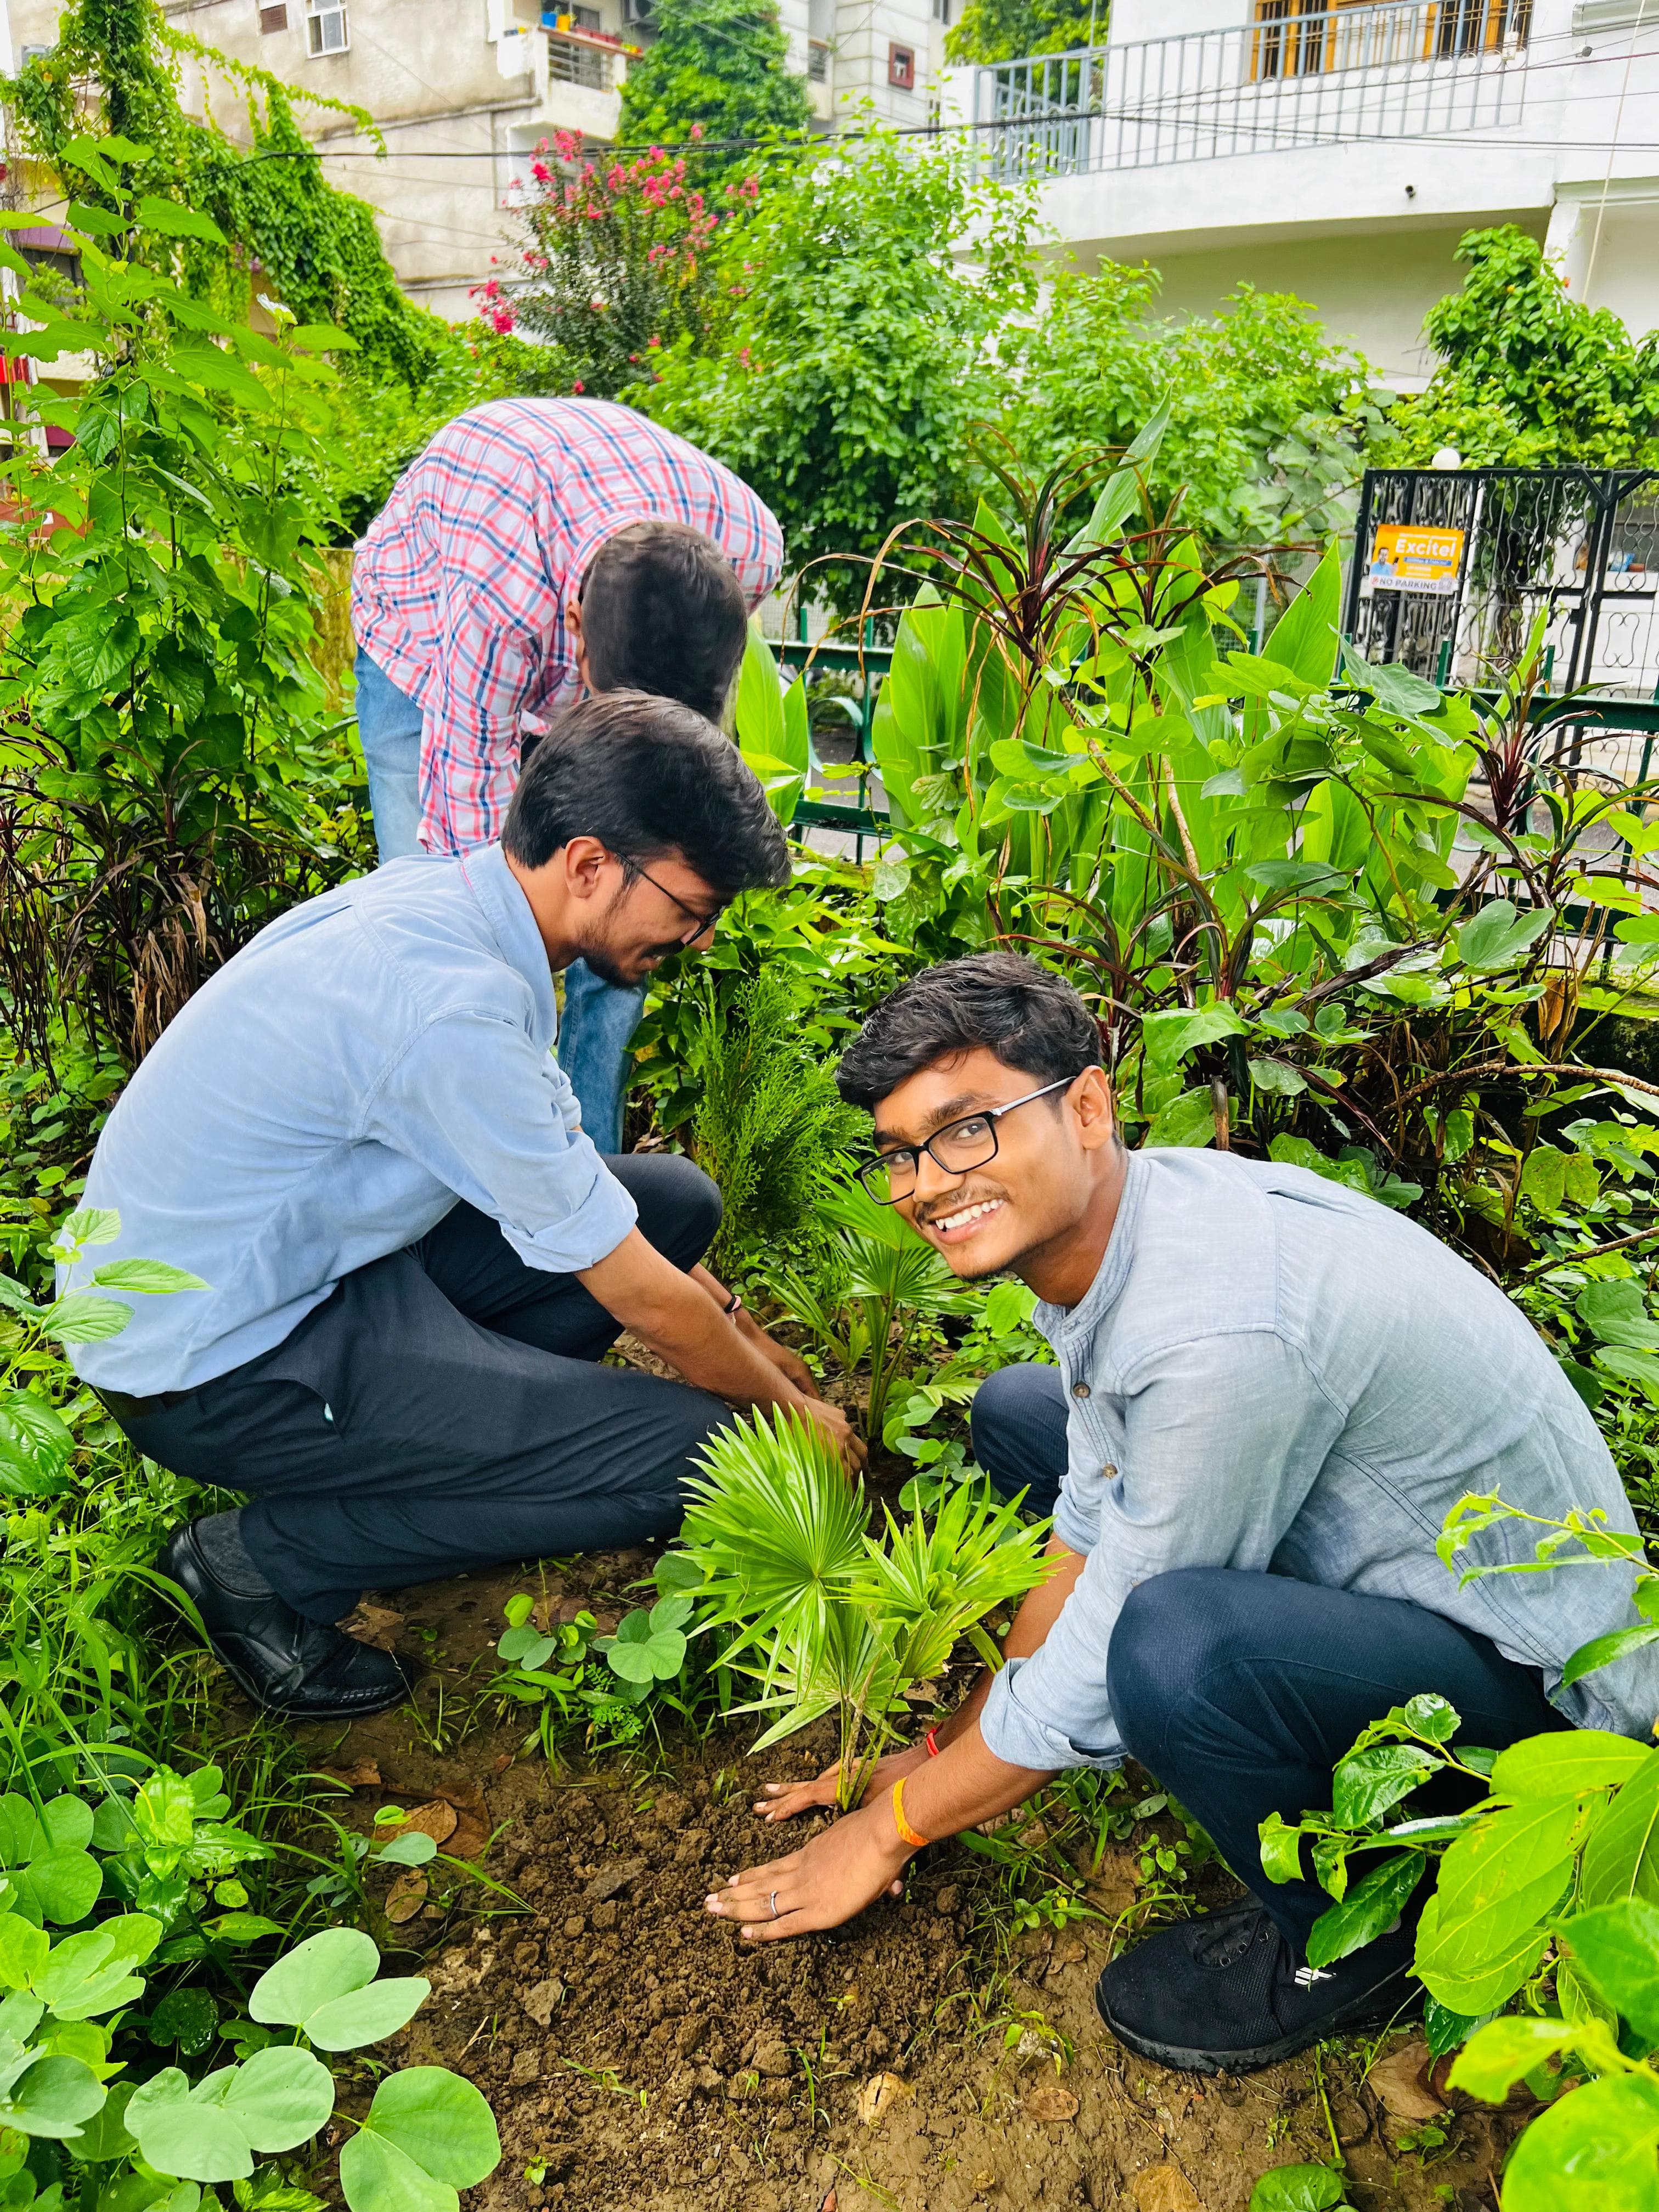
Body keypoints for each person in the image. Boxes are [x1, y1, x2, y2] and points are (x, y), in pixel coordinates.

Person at [705, 951, 1656, 2076]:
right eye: (902, 1155)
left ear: (1089, 1106)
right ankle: (1282, 1756)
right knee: (1021, 1414)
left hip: (1552, 1704)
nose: (926, 1183)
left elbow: (1106, 1643)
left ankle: (1360, 1936)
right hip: (1393, 1569)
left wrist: (888, 1830)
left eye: (968, 1130)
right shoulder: (1134, 1226)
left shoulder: (1219, 1334)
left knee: (1167, 1649)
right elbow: (1090, 1516)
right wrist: (936, 1751)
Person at [65, 693, 861, 1724]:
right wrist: (789, 1410)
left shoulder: (457, 909)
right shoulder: (451, 1006)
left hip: (300, 1275)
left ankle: (466, 1441)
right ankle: (261, 1562)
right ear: (588, 865)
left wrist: (739, 1326)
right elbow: (641, 1299)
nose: (698, 939)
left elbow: (582, 1196)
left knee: (670, 1206)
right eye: (691, 907)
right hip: (218, 1365)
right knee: (701, 1456)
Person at [351, 396, 784, 1150]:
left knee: (625, 905)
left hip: (553, 536)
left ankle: (591, 1162)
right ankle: (454, 1157)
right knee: (436, 932)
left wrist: (681, 894)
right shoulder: (496, 606)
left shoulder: (749, 544)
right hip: (417, 642)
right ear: (575, 630)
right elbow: (471, 863)